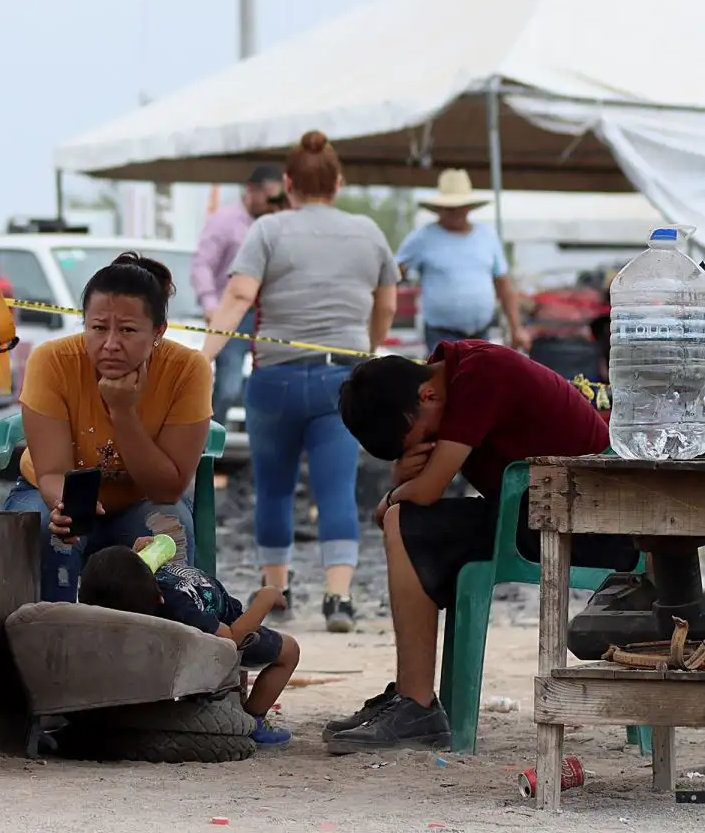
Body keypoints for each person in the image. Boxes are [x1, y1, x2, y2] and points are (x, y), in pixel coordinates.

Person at [325, 341, 639, 752]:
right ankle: (410, 695)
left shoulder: (479, 375)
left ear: (427, 395)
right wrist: (402, 479)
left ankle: (416, 704)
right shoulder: (451, 378)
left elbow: (428, 489)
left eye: (425, 436)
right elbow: (421, 489)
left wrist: (389, 498)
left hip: (592, 527)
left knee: (401, 521)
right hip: (541, 512)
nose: (431, 442)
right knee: (409, 524)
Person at [203, 132, 398, 633]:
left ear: (287, 183)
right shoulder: (368, 232)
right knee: (336, 488)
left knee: (273, 488)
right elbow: (387, 304)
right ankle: (339, 597)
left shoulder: (268, 230)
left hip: (276, 377)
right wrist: (369, 346)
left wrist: (205, 356)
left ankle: (277, 589)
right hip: (341, 378)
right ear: (338, 182)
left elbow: (239, 295)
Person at [3, 253, 213, 601]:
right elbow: (52, 472)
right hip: (52, 492)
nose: (111, 344)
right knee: (50, 533)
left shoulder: (188, 370)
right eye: (98, 328)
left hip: (143, 500)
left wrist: (123, 412)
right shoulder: (52, 361)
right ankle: (51, 631)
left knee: (170, 532)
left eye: (128, 330)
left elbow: (167, 489)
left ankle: (158, 632)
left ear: (158, 331)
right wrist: (66, 508)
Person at [79, 544, 300, 747]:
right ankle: (253, 721)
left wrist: (141, 552)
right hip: (230, 626)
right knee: (289, 651)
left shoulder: (130, 581)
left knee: (239, 674)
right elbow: (232, 638)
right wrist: (265, 599)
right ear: (159, 599)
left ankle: (239, 707)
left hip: (220, 615)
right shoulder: (179, 609)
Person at [395, 170, 530, 353]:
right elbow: (393, 274)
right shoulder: (422, 238)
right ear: (439, 209)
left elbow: (504, 284)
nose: (456, 212)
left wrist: (516, 328)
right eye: (450, 208)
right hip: (440, 334)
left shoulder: (487, 236)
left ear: (469, 208)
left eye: (461, 207)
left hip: (481, 332)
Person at [192, 165, 288, 424]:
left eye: (279, 198)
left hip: (269, 318)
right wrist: (211, 305)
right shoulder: (224, 221)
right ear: (251, 190)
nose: (272, 204)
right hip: (233, 315)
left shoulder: (280, 224)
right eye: (269, 197)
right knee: (228, 389)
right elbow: (202, 264)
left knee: (274, 388)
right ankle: (209, 440)